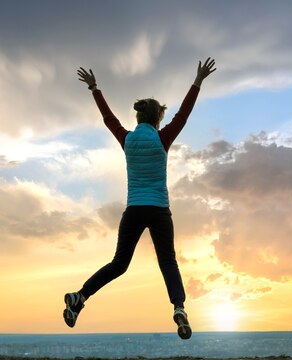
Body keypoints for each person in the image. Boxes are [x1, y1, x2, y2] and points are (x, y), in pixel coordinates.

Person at [64, 58, 216, 339]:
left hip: (134, 209)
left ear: (138, 118)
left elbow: (108, 119)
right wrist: (197, 81)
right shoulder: (163, 138)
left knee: (119, 264)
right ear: (158, 119)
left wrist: (94, 88)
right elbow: (183, 115)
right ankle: (179, 308)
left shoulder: (128, 139)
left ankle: (80, 296)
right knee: (168, 262)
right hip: (159, 210)